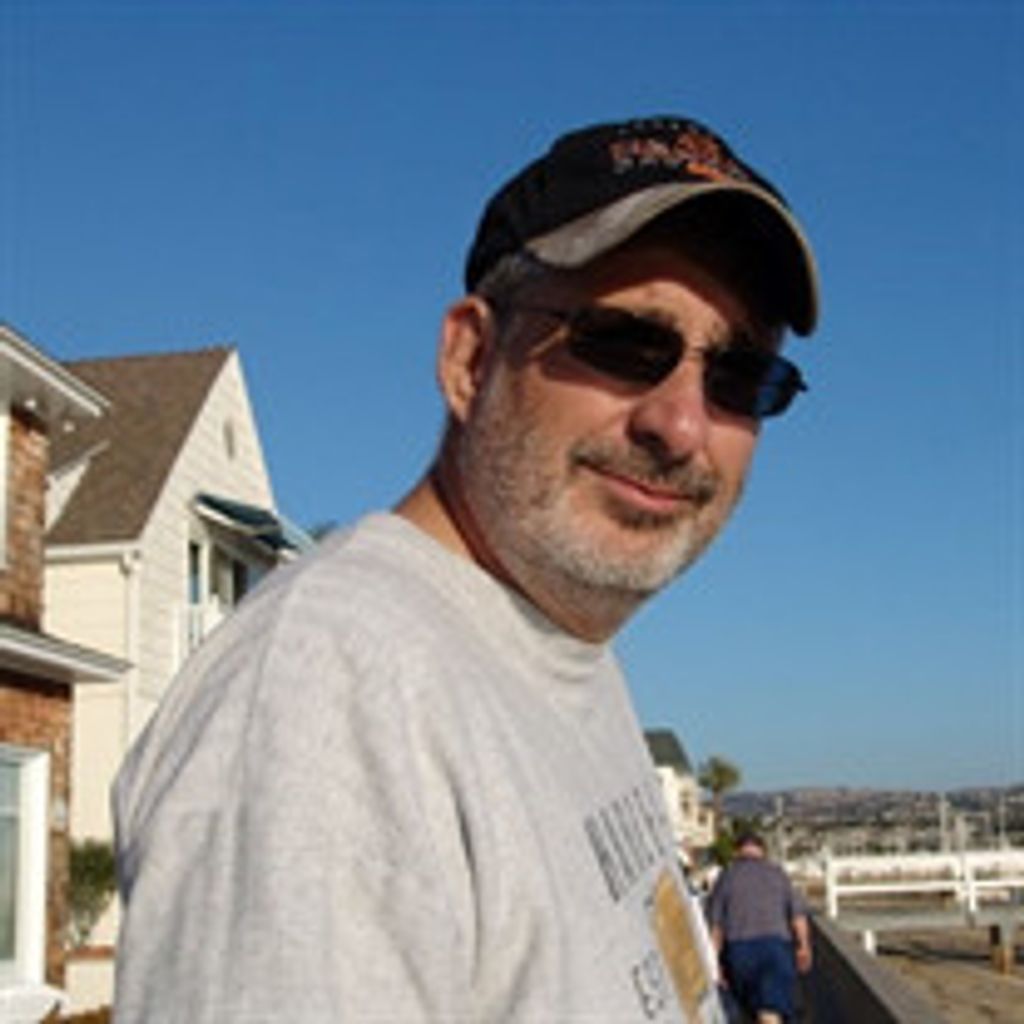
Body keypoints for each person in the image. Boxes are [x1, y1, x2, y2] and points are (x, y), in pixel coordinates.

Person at [112, 115, 820, 1023]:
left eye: (740, 376)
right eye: (622, 341)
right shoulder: (330, 696)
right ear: (471, 360)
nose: (680, 425)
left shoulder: (557, 654)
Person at [705, 833, 813, 1023]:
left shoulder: (727, 877)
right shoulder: (778, 874)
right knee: (771, 1008)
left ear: (737, 851)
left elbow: (716, 926)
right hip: (776, 948)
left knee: (751, 1009)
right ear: (763, 850)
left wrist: (714, 962)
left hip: (739, 951)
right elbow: (798, 915)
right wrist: (804, 946)